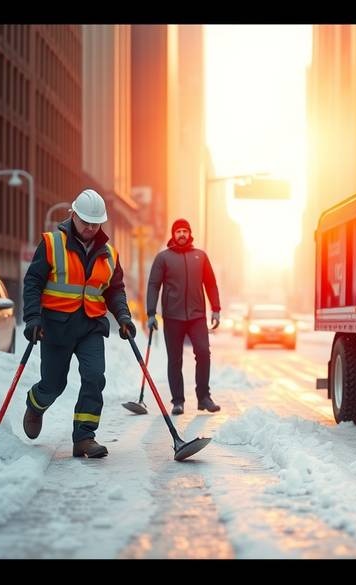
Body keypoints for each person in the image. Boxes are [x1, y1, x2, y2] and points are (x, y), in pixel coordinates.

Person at [22, 189, 135, 458]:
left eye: (95, 223)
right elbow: (33, 283)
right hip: (56, 327)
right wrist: (32, 318)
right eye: (85, 221)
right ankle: (36, 405)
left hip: (90, 327)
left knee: (95, 377)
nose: (89, 227)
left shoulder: (109, 254)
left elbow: (115, 290)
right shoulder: (51, 244)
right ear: (73, 215)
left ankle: (84, 437)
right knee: (53, 385)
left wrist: (123, 317)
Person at [146, 218, 222, 415]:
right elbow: (154, 285)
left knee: (204, 353)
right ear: (173, 234)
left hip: (197, 316)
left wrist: (216, 308)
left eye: (184, 231)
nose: (181, 234)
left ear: (190, 234)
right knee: (175, 359)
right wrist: (151, 313)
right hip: (172, 317)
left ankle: (204, 397)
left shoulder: (201, 256)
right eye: (178, 231)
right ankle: (177, 401)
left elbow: (211, 284)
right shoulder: (163, 258)